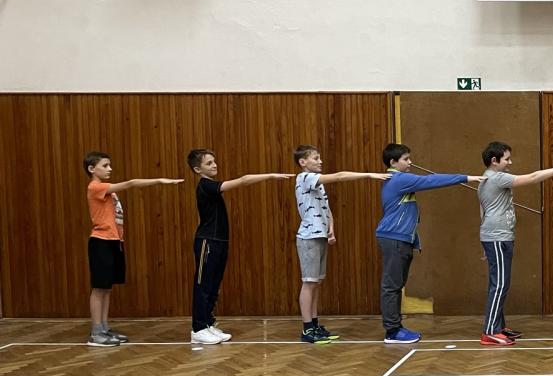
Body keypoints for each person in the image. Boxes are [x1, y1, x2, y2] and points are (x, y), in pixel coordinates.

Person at [477, 141, 553, 346]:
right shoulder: (496, 178)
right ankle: (489, 331)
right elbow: (532, 177)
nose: (510, 162)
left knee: (499, 284)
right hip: (497, 237)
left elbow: (483, 210)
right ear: (494, 161)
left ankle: (498, 326)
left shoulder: (487, 178)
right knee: (499, 285)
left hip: (496, 237)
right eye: (506, 159)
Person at [375, 143, 480, 344]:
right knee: (391, 286)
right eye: (406, 159)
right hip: (393, 238)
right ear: (393, 162)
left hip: (399, 238)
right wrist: (465, 178)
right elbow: (431, 180)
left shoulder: (398, 179)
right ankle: (392, 332)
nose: (410, 162)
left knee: (395, 285)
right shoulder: (399, 179)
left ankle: (395, 327)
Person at [187, 149, 292, 346]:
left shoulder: (211, 186)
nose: (214, 165)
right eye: (209, 163)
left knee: (214, 285)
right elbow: (243, 180)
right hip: (207, 242)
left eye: (214, 161)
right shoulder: (206, 185)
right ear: (197, 169)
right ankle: (198, 328)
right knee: (203, 285)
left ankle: (207, 323)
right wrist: (270, 176)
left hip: (219, 242)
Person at [82, 151, 183, 347]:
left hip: (113, 241)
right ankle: (96, 333)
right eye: (105, 165)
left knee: (107, 288)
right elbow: (131, 183)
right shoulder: (95, 187)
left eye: (110, 165)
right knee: (99, 288)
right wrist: (159, 180)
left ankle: (104, 328)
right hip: (101, 241)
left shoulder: (107, 190)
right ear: (92, 169)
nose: (110, 169)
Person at [292, 144, 389, 344]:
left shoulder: (317, 182)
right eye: (315, 158)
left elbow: (325, 207)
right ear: (303, 162)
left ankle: (314, 325)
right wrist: (368, 175)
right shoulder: (305, 177)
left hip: (319, 235)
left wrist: (331, 227)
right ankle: (307, 329)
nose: (320, 161)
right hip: (308, 237)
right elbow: (339, 176)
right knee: (309, 282)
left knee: (316, 283)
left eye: (320, 158)